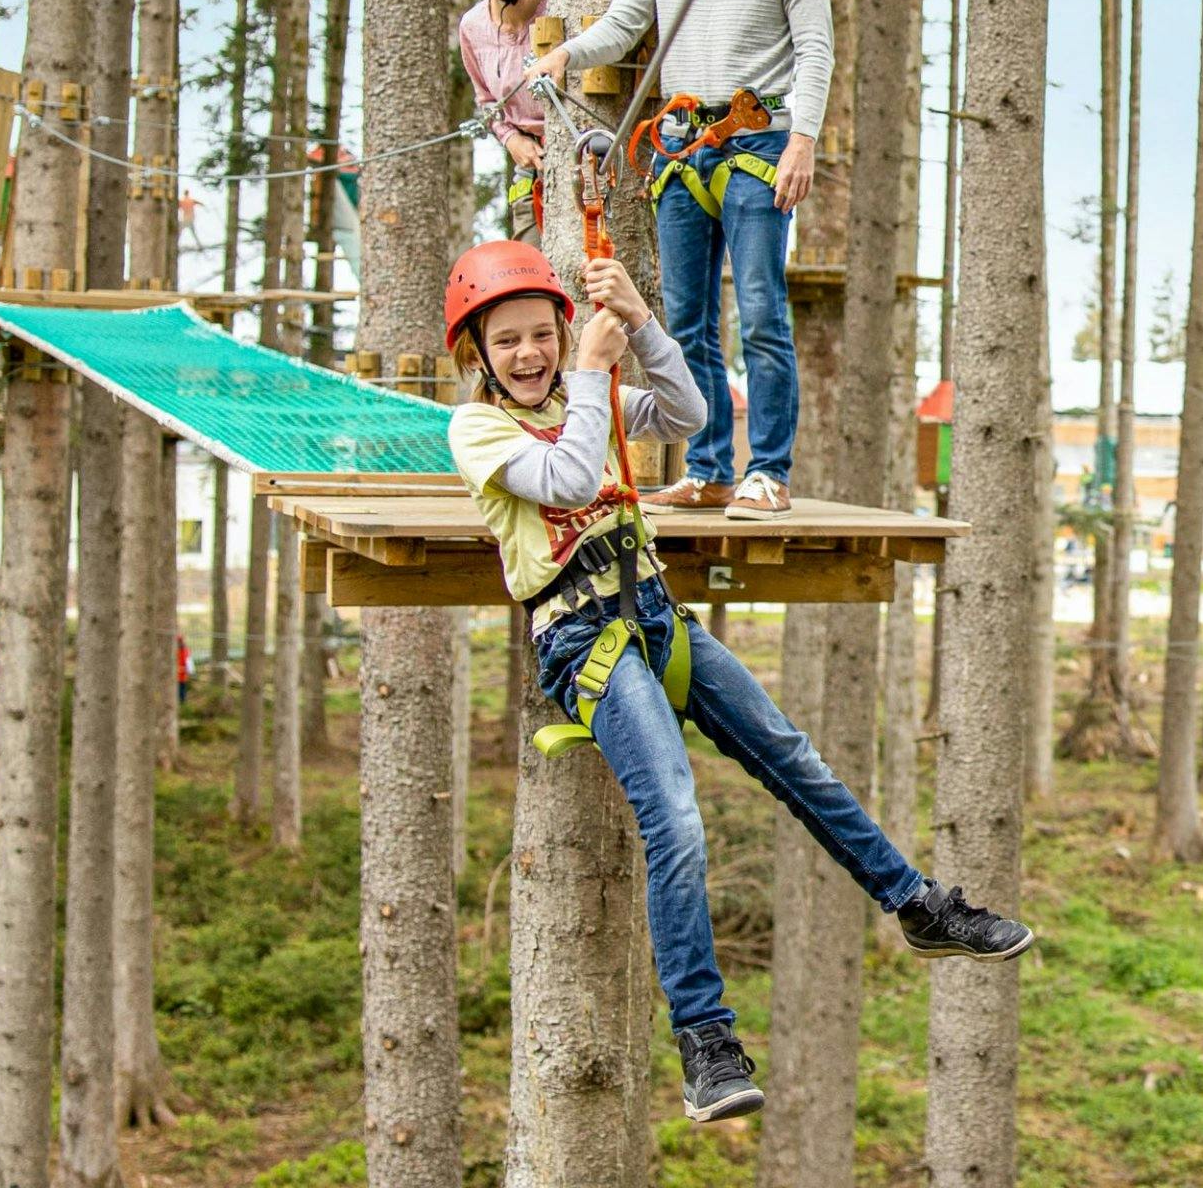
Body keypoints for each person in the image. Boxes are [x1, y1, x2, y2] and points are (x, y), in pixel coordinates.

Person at [442, 240, 1033, 1125]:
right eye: (509, 343)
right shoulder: (479, 429)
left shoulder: (585, 394)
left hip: (655, 621)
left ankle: (916, 904)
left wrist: (639, 323)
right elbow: (566, 476)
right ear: (477, 358)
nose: (530, 355)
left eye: (542, 336)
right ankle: (705, 1042)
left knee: (794, 758)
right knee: (674, 812)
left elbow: (686, 409)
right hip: (582, 641)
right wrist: (597, 379)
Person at [525, 0, 832, 522]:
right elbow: (626, 24)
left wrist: (804, 139)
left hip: (757, 141)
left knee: (760, 309)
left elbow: (815, 48)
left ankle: (770, 472)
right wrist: (567, 53)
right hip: (679, 146)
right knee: (687, 318)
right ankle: (708, 469)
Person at [459, 0, 552, 240]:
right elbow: (487, 101)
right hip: (529, 166)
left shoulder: (558, 4)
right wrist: (512, 139)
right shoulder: (472, 26)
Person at [176, 634, 192, 705]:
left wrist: (185, 669)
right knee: (179, 690)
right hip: (176, 675)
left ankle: (182, 704)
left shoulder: (185, 651)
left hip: (182, 675)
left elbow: (188, 663)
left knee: (182, 691)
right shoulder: (176, 650)